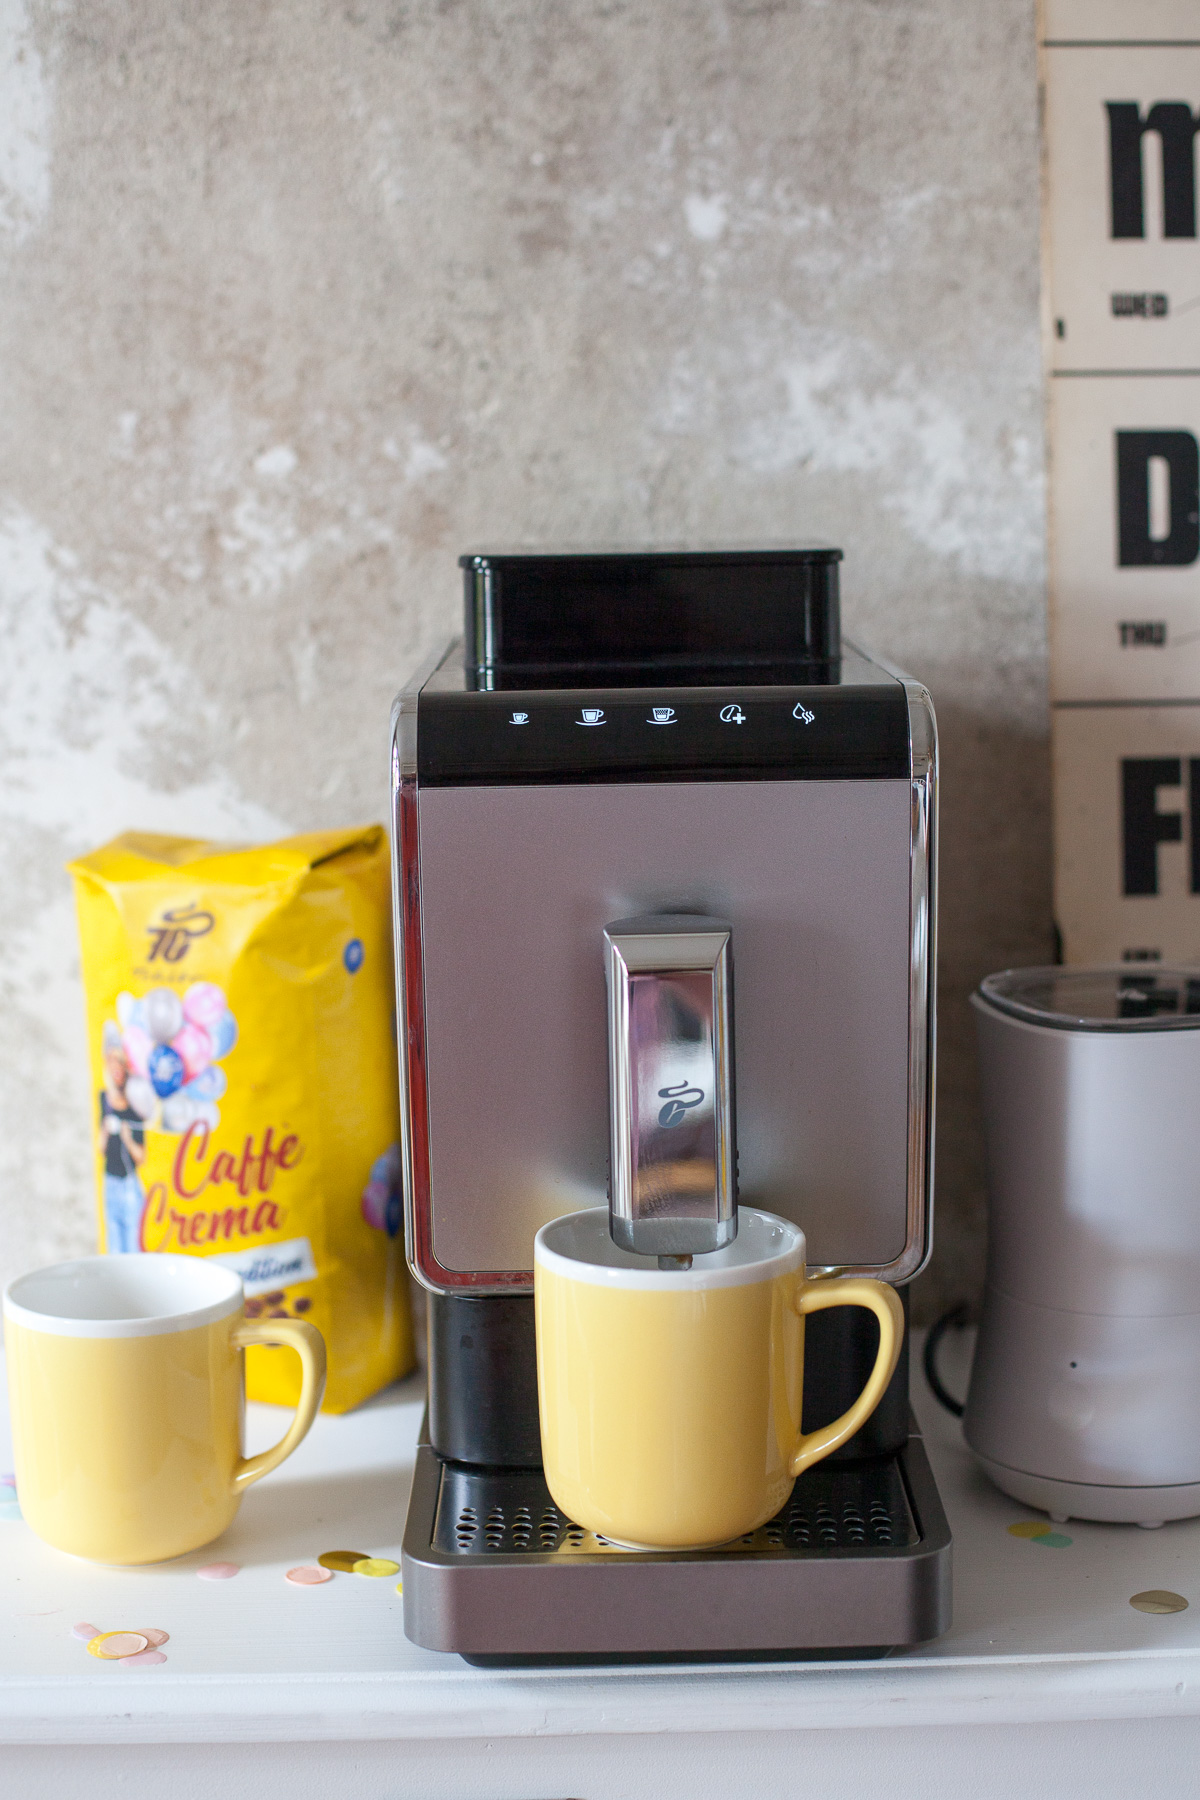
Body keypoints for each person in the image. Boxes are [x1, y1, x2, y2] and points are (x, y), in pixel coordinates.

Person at [98, 1036, 146, 1254]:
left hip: (129, 1184)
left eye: (120, 1065)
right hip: (111, 1182)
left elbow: (141, 1157)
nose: (116, 1070)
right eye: (112, 1065)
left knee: (132, 1246)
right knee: (114, 1246)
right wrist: (106, 1130)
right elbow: (100, 1149)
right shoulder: (103, 1100)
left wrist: (127, 1137)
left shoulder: (136, 1106)